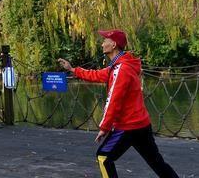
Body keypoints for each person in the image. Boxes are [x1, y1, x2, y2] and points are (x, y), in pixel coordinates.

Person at [58, 29, 178, 178]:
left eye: (105, 41)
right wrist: (72, 69)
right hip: (141, 124)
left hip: (128, 126)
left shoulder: (121, 69)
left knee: (103, 157)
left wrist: (104, 127)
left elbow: (114, 100)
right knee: (156, 162)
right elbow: (96, 75)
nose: (102, 44)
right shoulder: (119, 65)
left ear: (113, 44)